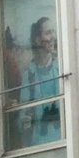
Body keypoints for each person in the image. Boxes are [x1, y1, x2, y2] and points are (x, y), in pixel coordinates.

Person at [18, 16, 61, 146]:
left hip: (61, 137)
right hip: (38, 143)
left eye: (53, 32)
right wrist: (24, 120)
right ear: (37, 40)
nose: (53, 37)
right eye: (48, 33)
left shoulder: (61, 68)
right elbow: (23, 114)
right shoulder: (29, 75)